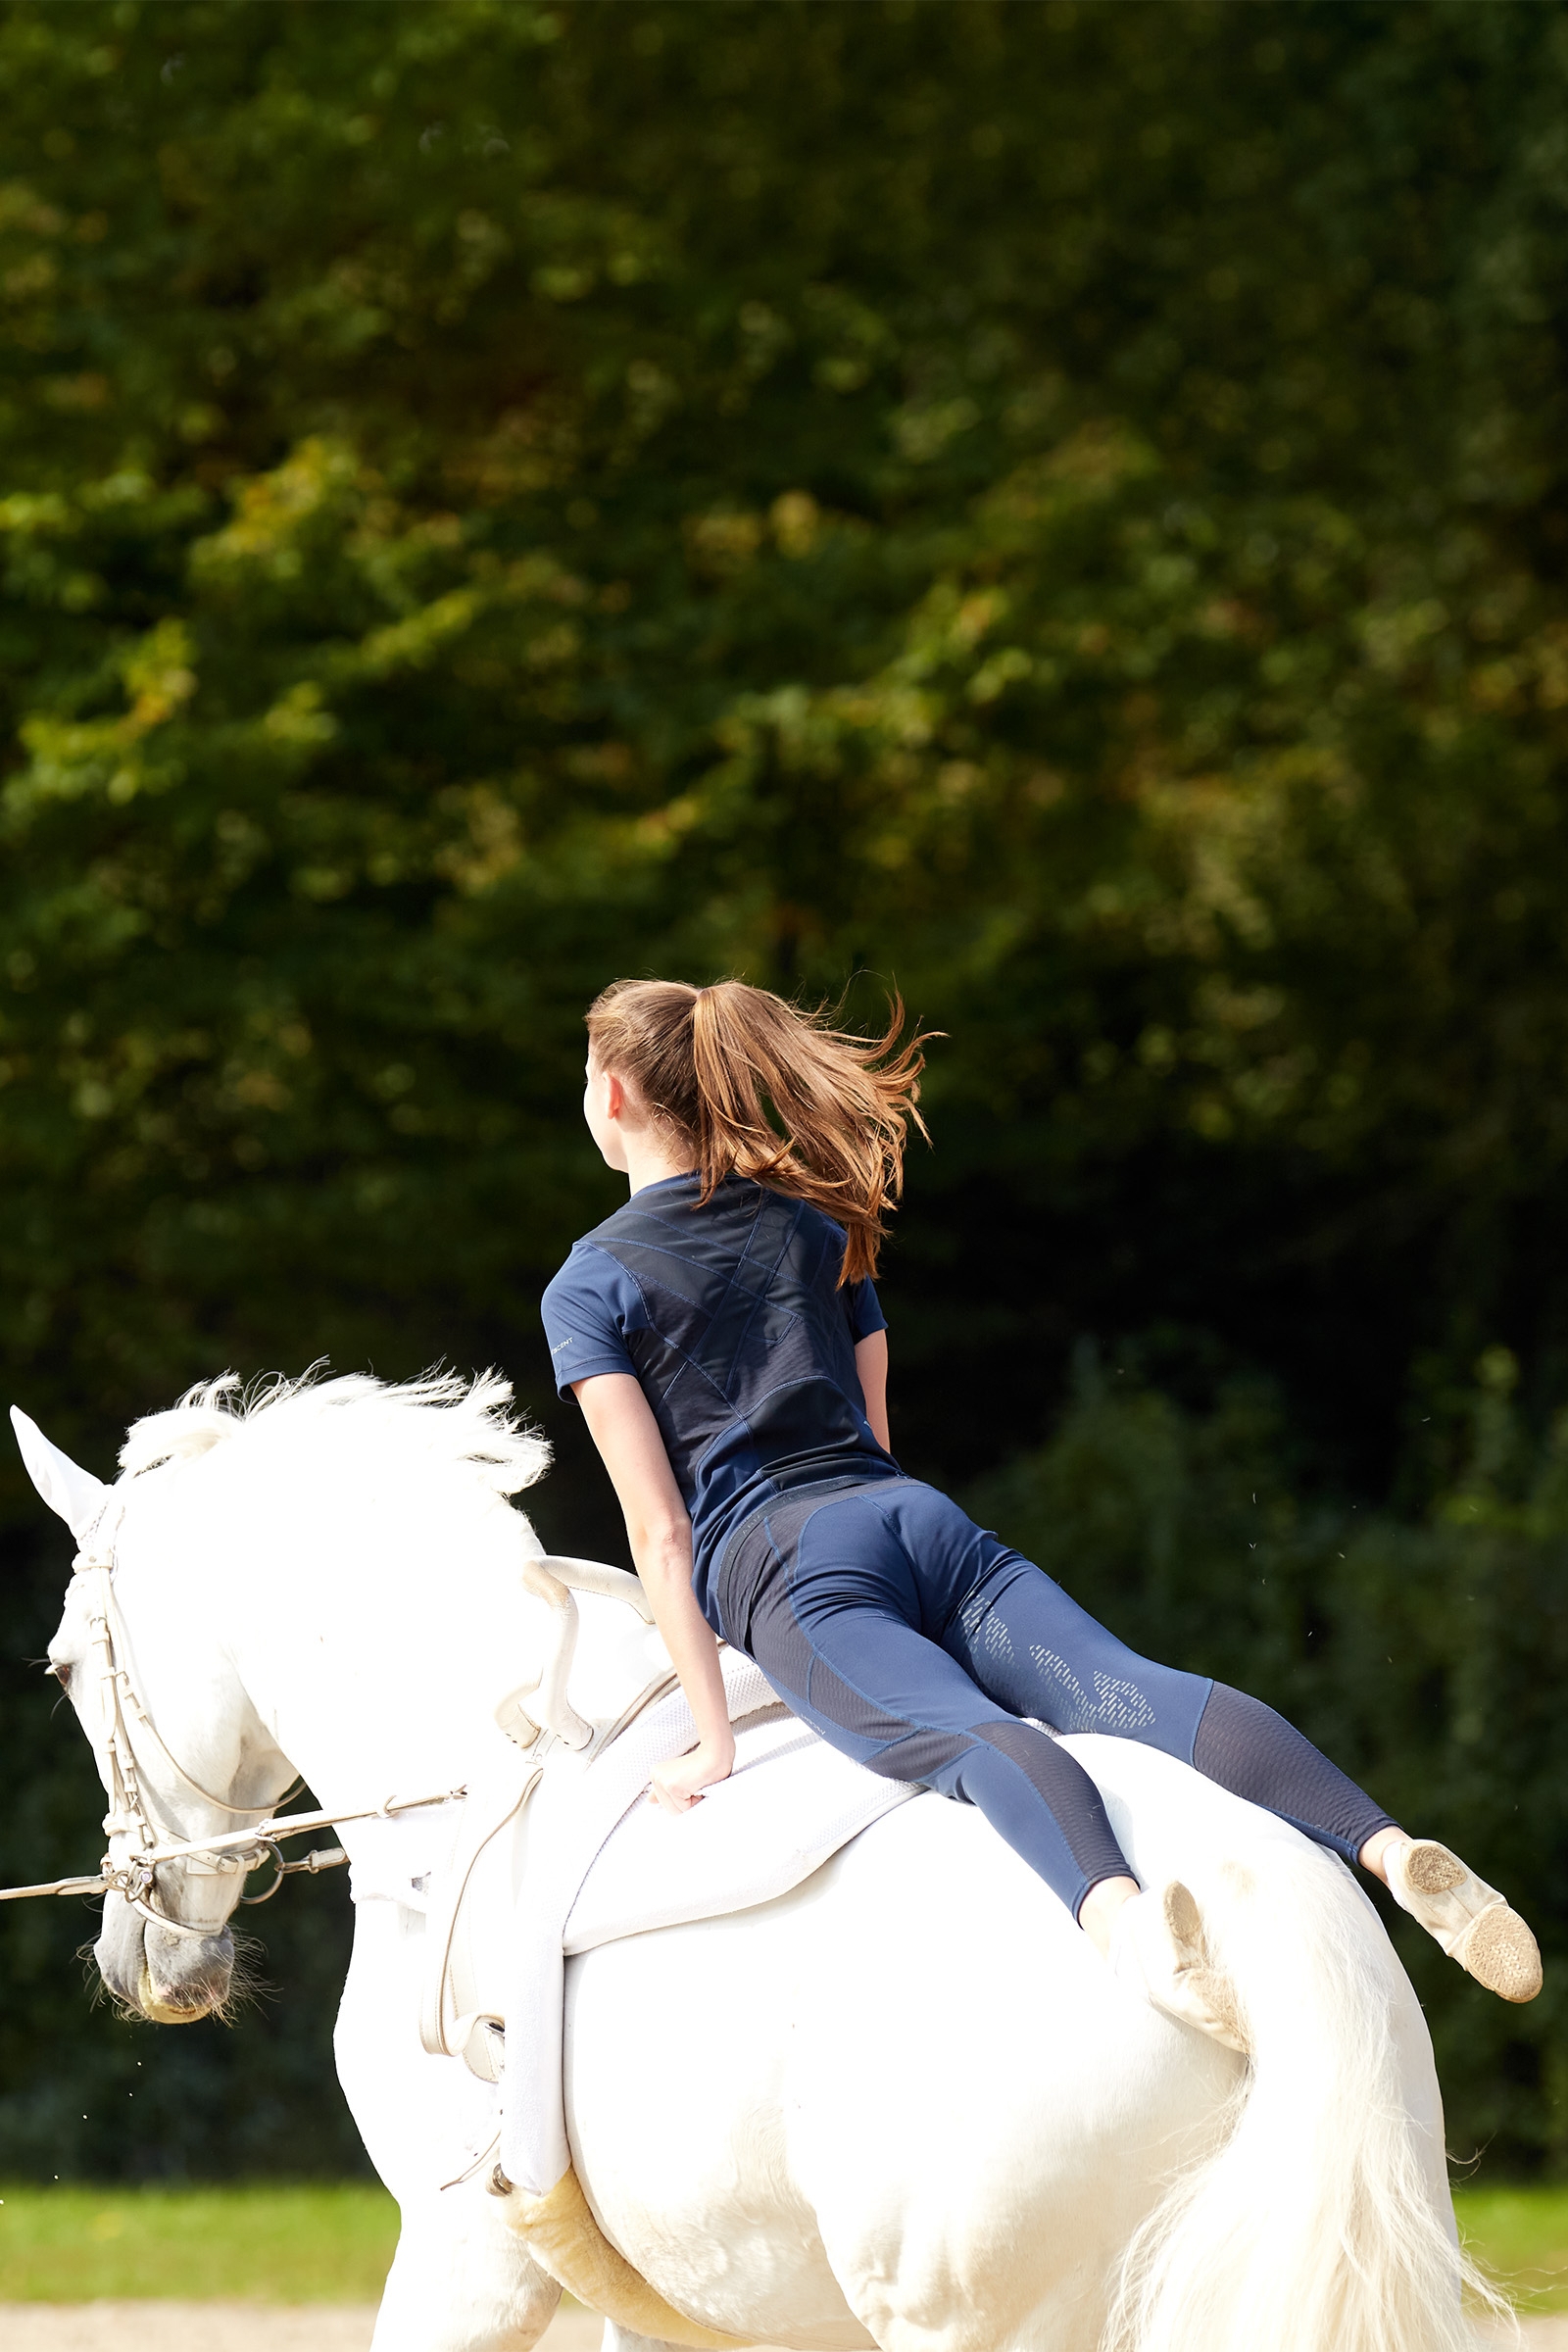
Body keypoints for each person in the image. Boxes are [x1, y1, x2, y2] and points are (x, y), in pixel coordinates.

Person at [541, 977, 1542, 2042]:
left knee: (973, 1739)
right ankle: (1387, 1846)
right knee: (1129, 1692)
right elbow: (874, 1435)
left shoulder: (589, 1283)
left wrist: (710, 1742)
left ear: (612, 1094)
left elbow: (662, 1532)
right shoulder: (813, 1225)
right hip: (911, 1522)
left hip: (790, 1569)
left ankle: (1131, 1933)